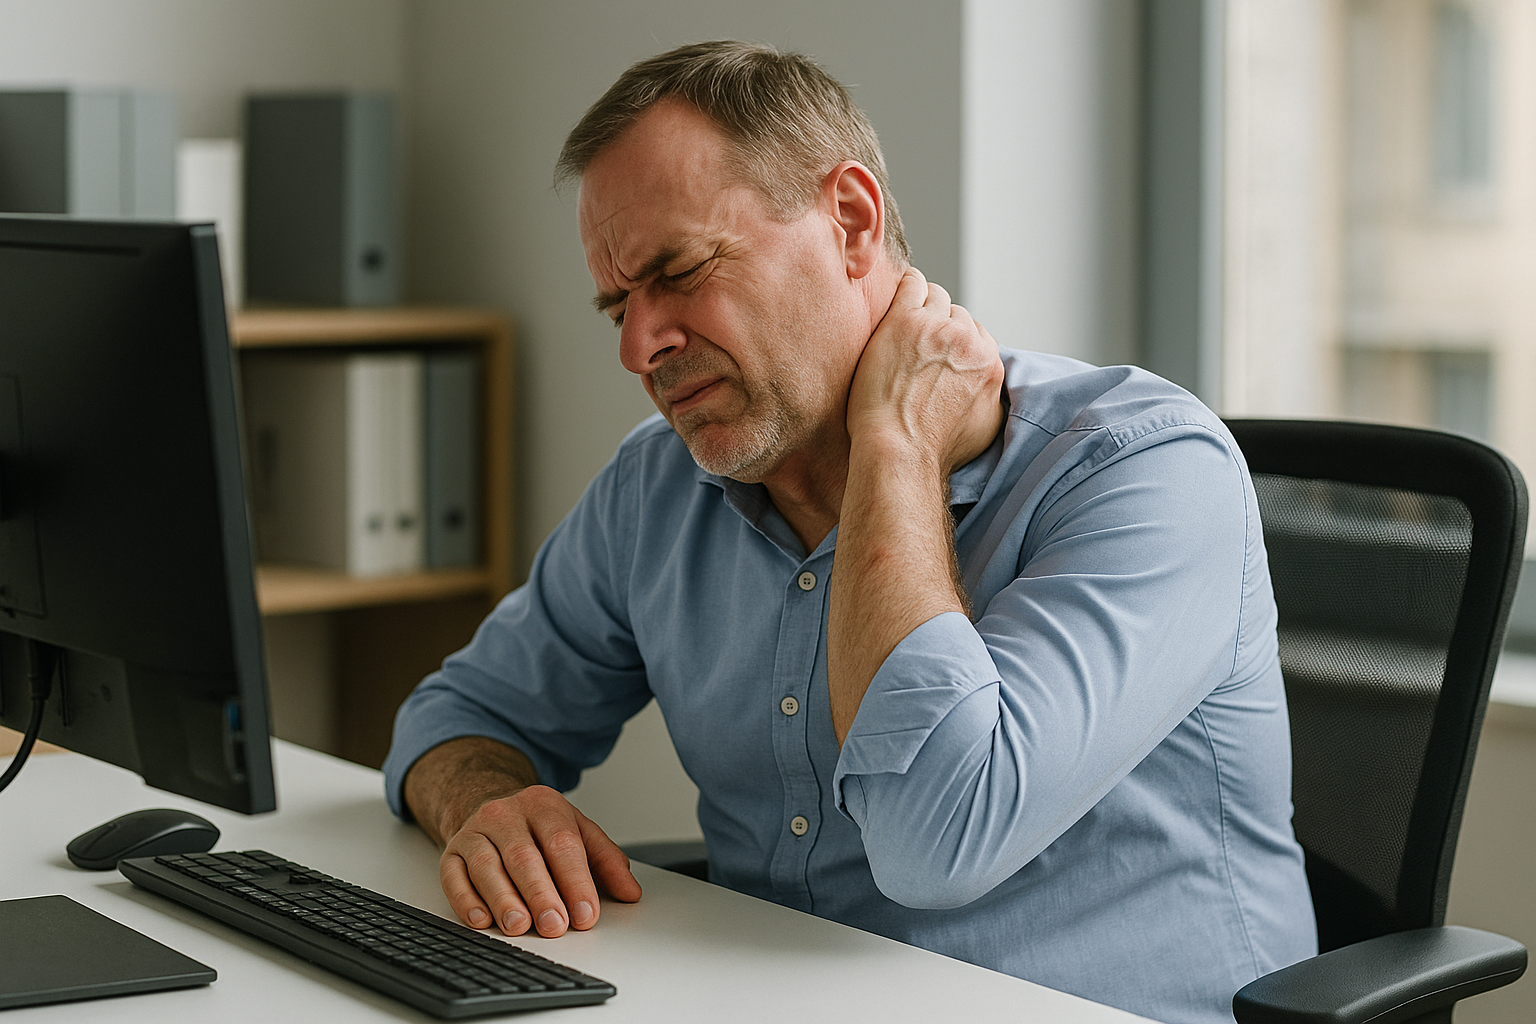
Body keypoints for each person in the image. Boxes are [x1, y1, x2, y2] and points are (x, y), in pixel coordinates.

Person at [383, 40, 1316, 1023]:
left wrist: (896, 450)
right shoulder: (654, 493)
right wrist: (484, 801)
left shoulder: (1149, 471)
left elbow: (936, 840)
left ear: (851, 222)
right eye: (619, 304)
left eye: (680, 271)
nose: (637, 345)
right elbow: (451, 718)